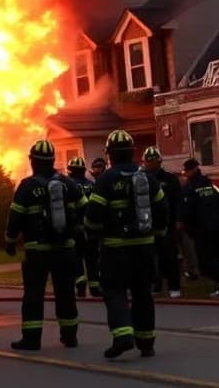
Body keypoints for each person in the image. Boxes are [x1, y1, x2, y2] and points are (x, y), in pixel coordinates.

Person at [83, 130, 169, 359]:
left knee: (114, 291)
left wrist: (91, 233)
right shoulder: (148, 178)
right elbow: (162, 210)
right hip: (145, 248)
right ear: (132, 152)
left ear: (109, 154)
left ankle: (123, 336)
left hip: (115, 249)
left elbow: (93, 215)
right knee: (143, 293)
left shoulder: (105, 180)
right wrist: (158, 234)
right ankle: (146, 342)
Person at [5, 140, 86, 350]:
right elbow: (85, 209)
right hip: (65, 248)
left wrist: (10, 240)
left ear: (33, 161)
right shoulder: (68, 184)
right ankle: (70, 336)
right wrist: (79, 234)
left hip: (37, 251)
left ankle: (31, 339)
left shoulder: (27, 186)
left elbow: (15, 217)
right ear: (52, 161)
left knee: (34, 294)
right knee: (66, 292)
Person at [182, 158, 219, 297]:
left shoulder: (189, 188)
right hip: (217, 225)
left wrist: (189, 229)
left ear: (192, 170)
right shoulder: (208, 184)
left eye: (187, 170)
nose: (186, 173)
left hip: (203, 228)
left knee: (205, 260)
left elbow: (188, 210)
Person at [142, 147, 183, 298]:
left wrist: (179, 219)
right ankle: (156, 285)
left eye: (153, 161)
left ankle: (174, 287)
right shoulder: (140, 179)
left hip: (168, 224)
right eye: (148, 161)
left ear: (159, 161)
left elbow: (178, 200)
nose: (150, 164)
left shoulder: (170, 179)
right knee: (151, 258)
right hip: (148, 225)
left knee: (170, 256)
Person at [66, 156, 101, 297]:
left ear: (70, 171)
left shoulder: (69, 186)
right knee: (92, 258)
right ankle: (95, 287)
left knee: (77, 258)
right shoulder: (92, 185)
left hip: (75, 229)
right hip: (91, 229)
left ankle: (80, 285)